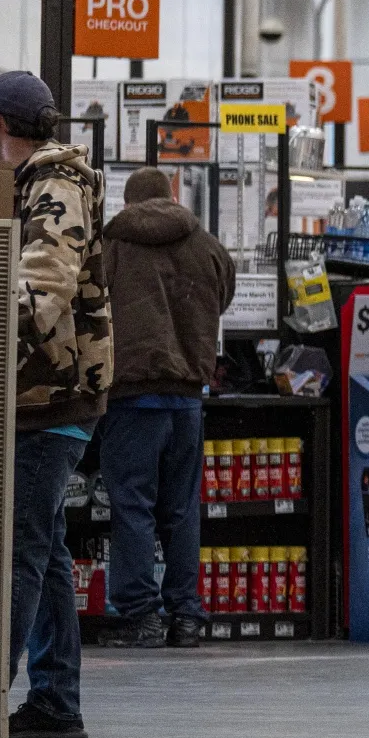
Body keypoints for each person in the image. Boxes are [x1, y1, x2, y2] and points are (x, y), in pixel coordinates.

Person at [0, 72, 111, 738]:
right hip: (46, 396)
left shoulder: (55, 187)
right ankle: (56, 700)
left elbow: (42, 293)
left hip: (56, 397)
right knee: (45, 549)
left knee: (21, 548)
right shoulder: (33, 182)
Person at [99, 166, 235, 649]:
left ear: (128, 201)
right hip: (188, 398)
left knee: (132, 505)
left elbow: (89, 306)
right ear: (172, 196)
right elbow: (225, 297)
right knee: (180, 509)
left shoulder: (112, 244)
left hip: (133, 395)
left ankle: (141, 617)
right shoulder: (207, 244)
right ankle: (187, 617)